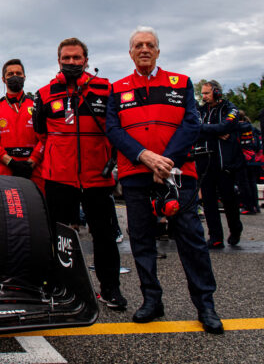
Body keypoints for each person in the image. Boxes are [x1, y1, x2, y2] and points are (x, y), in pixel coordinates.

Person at [107, 26, 223, 333]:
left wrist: (166, 160)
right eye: (138, 45)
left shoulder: (181, 82)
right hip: (135, 174)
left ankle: (206, 306)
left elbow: (191, 123)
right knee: (142, 241)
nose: (144, 49)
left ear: (158, 51)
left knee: (192, 242)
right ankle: (152, 301)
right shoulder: (117, 89)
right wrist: (145, 156)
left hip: (177, 174)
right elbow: (114, 130)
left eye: (150, 45)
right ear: (130, 52)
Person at [33, 38, 126, 311]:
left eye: (77, 58)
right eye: (66, 58)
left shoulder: (105, 89)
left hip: (97, 176)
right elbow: (40, 132)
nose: (71, 62)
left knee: (105, 236)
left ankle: (110, 290)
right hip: (59, 176)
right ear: (58, 60)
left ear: (86, 59)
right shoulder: (44, 93)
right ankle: (60, 287)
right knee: (58, 236)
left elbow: (117, 127)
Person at [196, 80, 244, 248]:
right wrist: (216, 133)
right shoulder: (200, 111)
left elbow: (227, 125)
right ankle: (215, 237)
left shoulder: (230, 109)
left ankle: (235, 229)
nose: (204, 97)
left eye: (207, 93)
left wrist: (208, 130)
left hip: (226, 164)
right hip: (205, 163)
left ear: (216, 92)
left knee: (229, 200)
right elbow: (194, 129)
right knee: (208, 203)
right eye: (202, 93)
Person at [0, 59, 43, 179]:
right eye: (10, 74)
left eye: (18, 74)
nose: (15, 76)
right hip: (5, 168)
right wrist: (10, 162)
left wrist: (33, 160)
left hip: (34, 169)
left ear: (24, 77)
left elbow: (45, 136)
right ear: (3, 79)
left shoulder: (36, 104)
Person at [237, 111, 261, 214]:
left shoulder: (236, 128)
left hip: (242, 158)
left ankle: (248, 207)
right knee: (252, 182)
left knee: (243, 183)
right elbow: (257, 143)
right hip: (253, 158)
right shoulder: (252, 128)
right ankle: (256, 206)